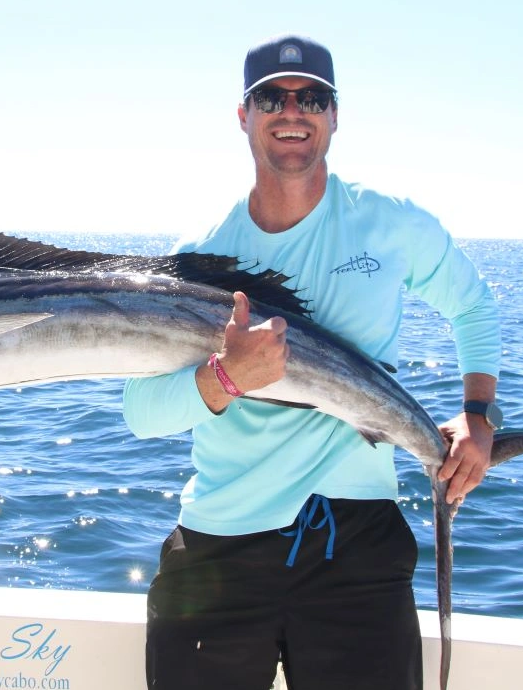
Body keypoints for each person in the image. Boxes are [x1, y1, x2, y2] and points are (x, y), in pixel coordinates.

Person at [122, 36, 502, 690]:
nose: (292, 111)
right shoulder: (199, 256)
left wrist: (477, 413)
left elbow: (473, 304)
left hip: (357, 544)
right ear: (243, 115)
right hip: (220, 545)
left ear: (335, 114)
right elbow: (140, 411)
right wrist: (226, 377)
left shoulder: (389, 223)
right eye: (272, 97)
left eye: (312, 98)